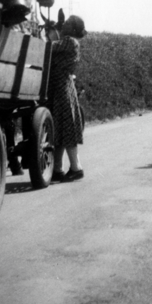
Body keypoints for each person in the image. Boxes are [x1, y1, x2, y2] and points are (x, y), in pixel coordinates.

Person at [48, 15, 88, 182]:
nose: (63, 25)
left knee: (66, 128)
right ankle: (58, 169)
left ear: (72, 29)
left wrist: (51, 31)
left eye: (67, 23)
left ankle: (76, 168)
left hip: (62, 87)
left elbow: (49, 47)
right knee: (61, 129)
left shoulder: (70, 41)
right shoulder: (69, 41)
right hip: (62, 87)